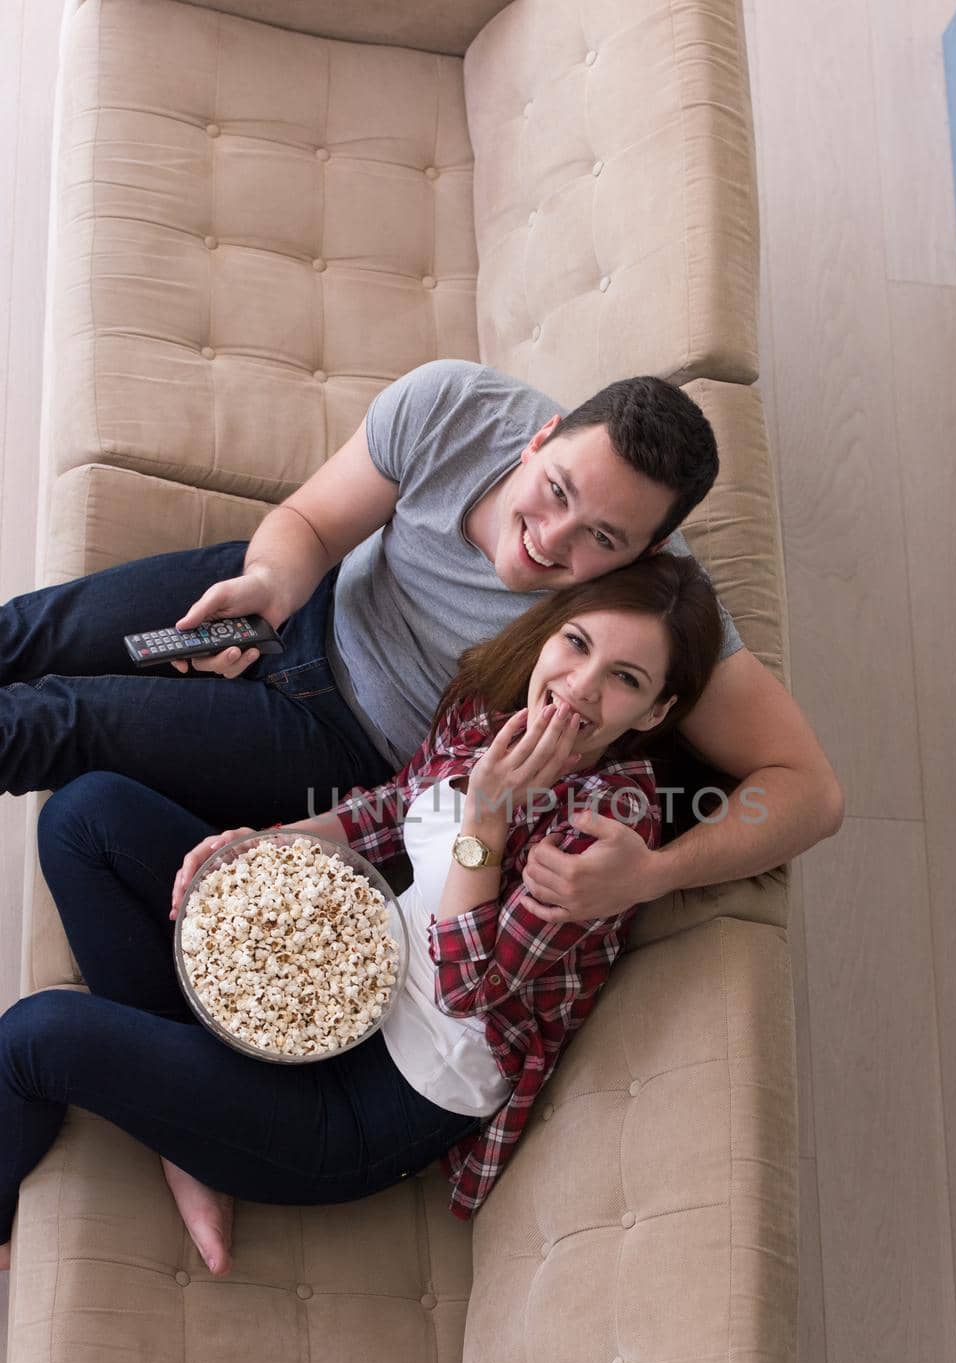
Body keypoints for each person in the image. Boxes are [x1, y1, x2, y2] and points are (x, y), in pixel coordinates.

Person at [0, 555, 723, 1278]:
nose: (580, 688)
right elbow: (390, 810)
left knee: (34, 1038)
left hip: (379, 1100)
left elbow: (468, 991)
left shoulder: (608, 827)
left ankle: (147, 1140)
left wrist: (490, 820)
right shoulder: (490, 705)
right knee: (84, 815)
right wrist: (264, 844)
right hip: (340, 983)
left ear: (656, 711)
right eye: (577, 643)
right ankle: (180, 1138)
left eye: (625, 680)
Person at [0, 360, 843, 929]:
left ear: (648, 554)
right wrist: (270, 584)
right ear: (540, 437)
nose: (550, 540)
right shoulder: (454, 406)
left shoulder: (653, 606)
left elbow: (809, 793)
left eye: (601, 538)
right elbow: (311, 523)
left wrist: (656, 876)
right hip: (303, 605)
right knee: (29, 633)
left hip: (343, 744)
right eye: (554, 491)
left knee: (55, 722)